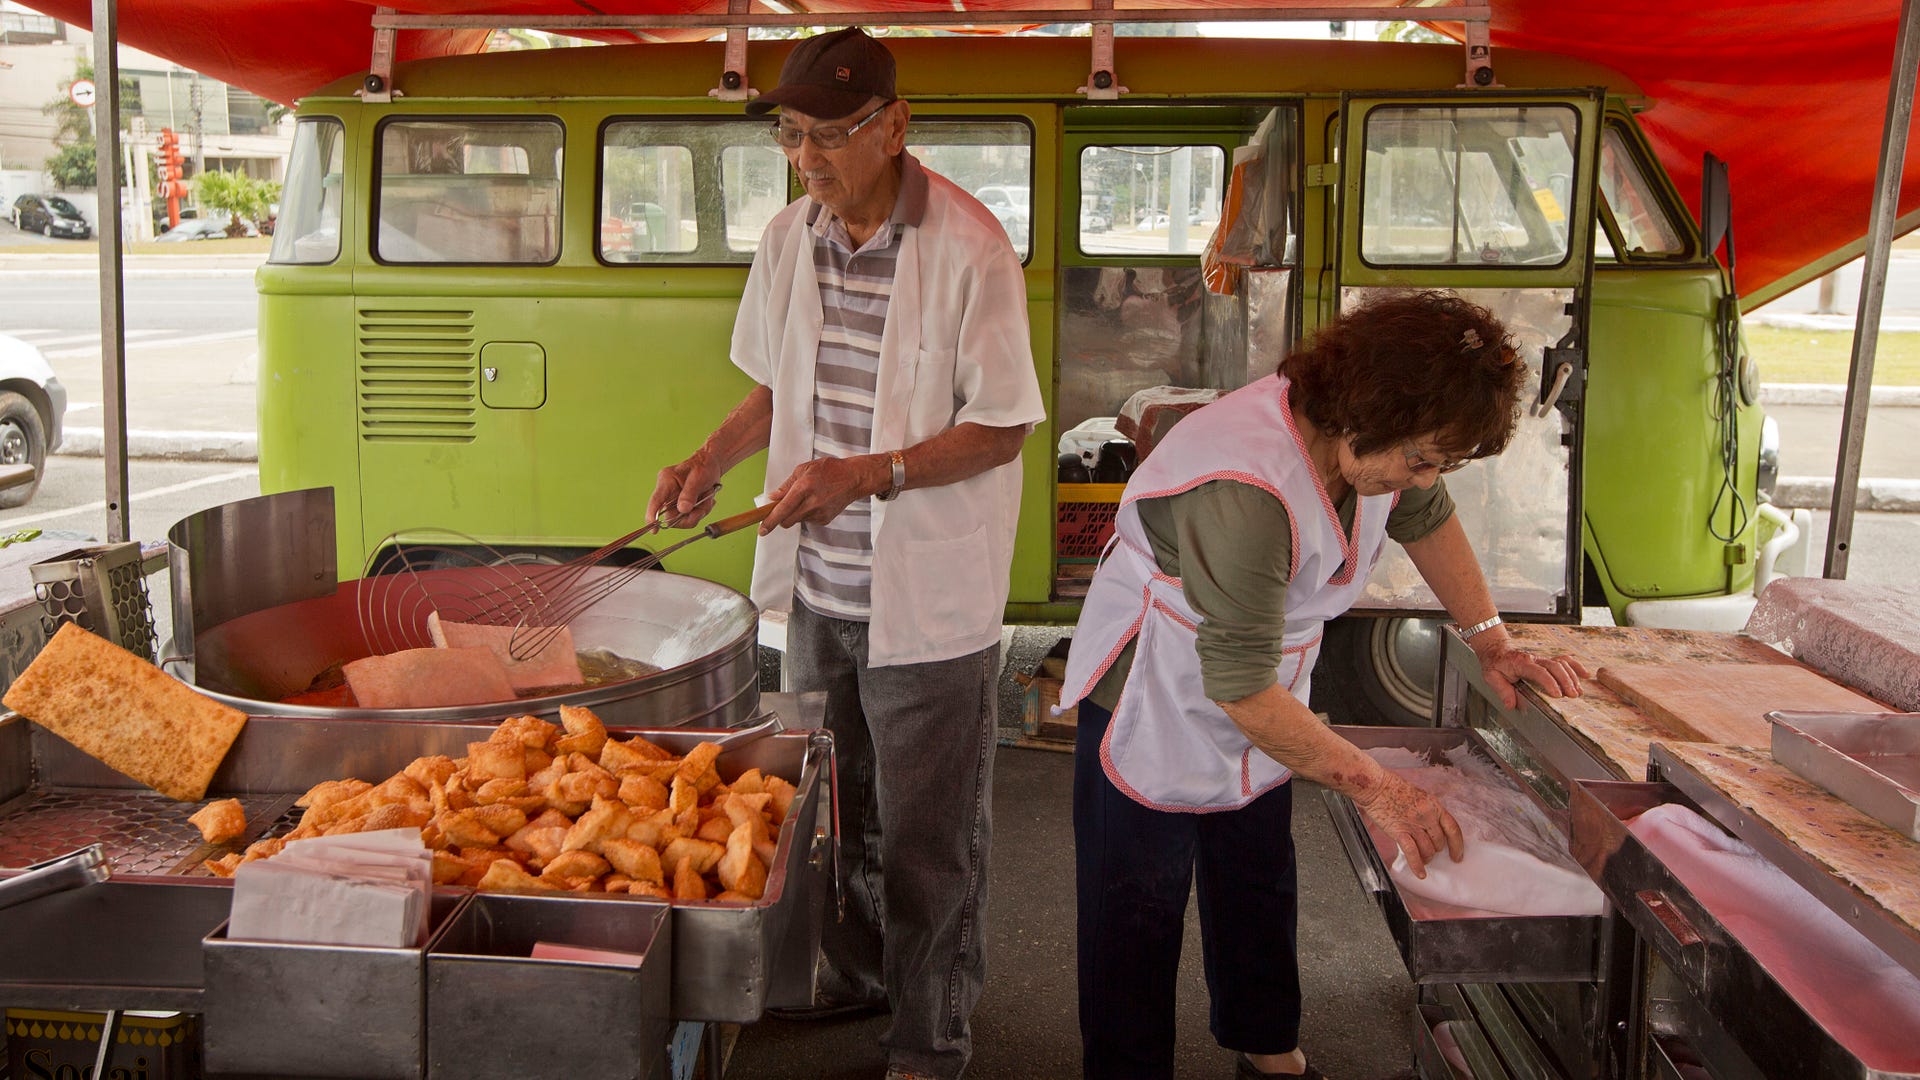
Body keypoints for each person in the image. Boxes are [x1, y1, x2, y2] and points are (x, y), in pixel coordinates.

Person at [1056, 290, 1590, 1080]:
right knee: (1135, 907)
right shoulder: (1246, 486)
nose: (1426, 475)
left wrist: (1491, 639)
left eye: (1440, 460)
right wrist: (1379, 788)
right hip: (1158, 687)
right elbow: (1237, 688)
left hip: (1261, 682)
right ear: (1362, 414)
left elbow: (1425, 516)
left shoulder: (1376, 449)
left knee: (1257, 879)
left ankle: (1270, 1051)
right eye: (1422, 457)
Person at [646, 26, 1045, 1080]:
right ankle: (864, 980)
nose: (809, 158)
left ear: (895, 124)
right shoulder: (790, 238)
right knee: (839, 815)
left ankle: (931, 1035)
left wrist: (867, 473)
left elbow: (1003, 426)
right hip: (821, 596)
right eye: (791, 134)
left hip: (929, 608)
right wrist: (708, 459)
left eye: (830, 134)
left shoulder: (969, 246)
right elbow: (775, 388)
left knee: (930, 841)